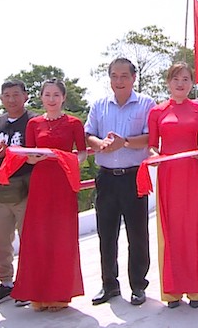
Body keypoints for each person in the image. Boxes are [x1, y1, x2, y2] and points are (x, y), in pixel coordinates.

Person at [10, 78, 87, 311]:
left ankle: (60, 294)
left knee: (62, 235)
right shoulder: (34, 124)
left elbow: (82, 153)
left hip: (63, 181)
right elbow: (29, 154)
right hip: (41, 182)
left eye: (56, 95)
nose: (51, 99)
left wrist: (70, 161)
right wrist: (33, 159)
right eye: (47, 95)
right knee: (39, 236)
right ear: (41, 97)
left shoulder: (74, 123)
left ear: (63, 98)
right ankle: (38, 294)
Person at [85, 58, 155, 306]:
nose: (119, 81)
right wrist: (101, 144)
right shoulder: (99, 105)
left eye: (124, 76)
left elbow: (150, 137)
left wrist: (123, 142)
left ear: (134, 78)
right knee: (106, 234)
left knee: (137, 234)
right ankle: (109, 284)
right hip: (106, 177)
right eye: (114, 76)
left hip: (134, 176)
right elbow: (89, 134)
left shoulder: (146, 103)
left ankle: (138, 285)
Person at [148, 62, 198, 308]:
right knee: (171, 230)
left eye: (186, 79)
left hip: (193, 174)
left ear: (192, 83)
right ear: (168, 82)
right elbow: (153, 145)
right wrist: (155, 156)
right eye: (176, 79)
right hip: (168, 176)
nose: (180, 84)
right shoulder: (157, 112)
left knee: (195, 228)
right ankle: (173, 291)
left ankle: (197, 289)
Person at [0, 79, 37, 307]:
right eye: (7, 95)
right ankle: (6, 283)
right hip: (1, 191)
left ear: (26, 96)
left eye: (16, 94)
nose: (12, 100)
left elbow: (38, 151)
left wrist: (15, 152)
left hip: (26, 189)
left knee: (29, 238)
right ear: (1, 98)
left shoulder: (34, 121)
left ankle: (29, 283)